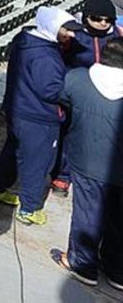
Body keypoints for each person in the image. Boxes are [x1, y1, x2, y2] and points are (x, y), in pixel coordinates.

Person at [0, 7, 81, 226]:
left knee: (12, 150)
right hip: (39, 116)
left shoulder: (25, 40)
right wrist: (73, 90)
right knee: (38, 163)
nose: (72, 35)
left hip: (18, 109)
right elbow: (51, 90)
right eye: (67, 30)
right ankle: (29, 208)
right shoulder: (46, 55)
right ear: (53, 28)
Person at [51, 37, 123, 289]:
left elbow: (64, 102)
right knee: (119, 220)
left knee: (87, 214)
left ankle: (83, 264)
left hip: (87, 160)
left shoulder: (78, 78)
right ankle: (116, 272)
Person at [70, 0, 121, 69]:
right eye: (97, 19)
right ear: (86, 17)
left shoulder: (118, 34)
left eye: (108, 20)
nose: (103, 23)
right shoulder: (73, 35)